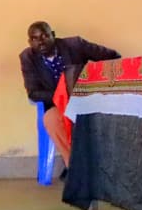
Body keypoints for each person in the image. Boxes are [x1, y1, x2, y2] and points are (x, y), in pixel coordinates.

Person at [18, 22, 121, 172]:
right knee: (51, 119)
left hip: (86, 100)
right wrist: (63, 95)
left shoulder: (75, 45)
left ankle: (102, 166)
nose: (41, 42)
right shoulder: (28, 57)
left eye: (45, 36)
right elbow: (33, 93)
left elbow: (113, 57)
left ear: (53, 34)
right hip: (57, 104)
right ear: (30, 42)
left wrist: (95, 82)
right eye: (35, 39)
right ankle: (75, 168)